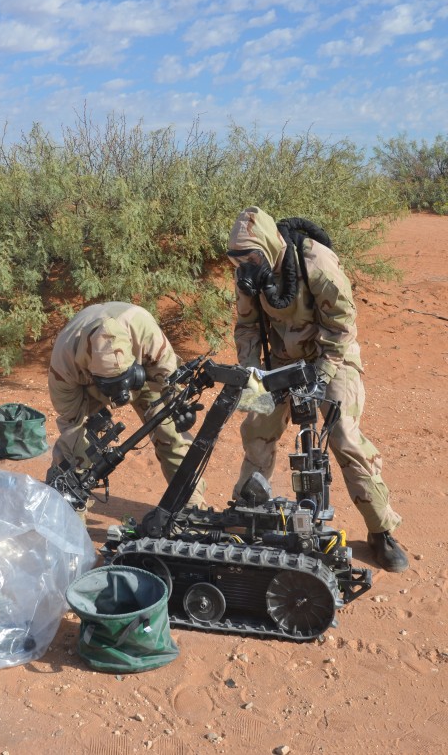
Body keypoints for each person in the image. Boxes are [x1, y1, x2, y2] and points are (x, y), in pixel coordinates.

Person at [226, 206, 408, 572]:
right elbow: (246, 329)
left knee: (343, 436)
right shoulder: (250, 275)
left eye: (250, 255)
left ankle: (382, 530)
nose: (244, 263)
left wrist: (322, 375)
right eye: (238, 258)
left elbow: (342, 327)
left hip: (333, 356)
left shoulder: (317, 263)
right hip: (280, 358)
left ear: (267, 243)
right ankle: (248, 513)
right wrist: (254, 375)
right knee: (256, 428)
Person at [46, 301, 206, 511]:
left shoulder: (146, 334)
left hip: (144, 376)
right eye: (112, 386)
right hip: (90, 388)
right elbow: (71, 425)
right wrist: (83, 446)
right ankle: (65, 522)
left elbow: (170, 379)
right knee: (75, 450)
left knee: (173, 436)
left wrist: (180, 405)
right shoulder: (64, 366)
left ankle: (192, 512)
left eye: (122, 383)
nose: (122, 398)